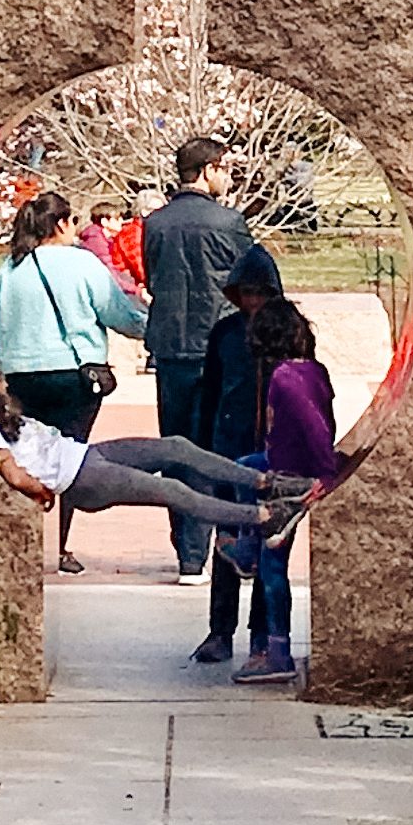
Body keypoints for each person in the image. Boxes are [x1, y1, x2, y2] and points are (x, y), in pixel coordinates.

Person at [0, 358, 305, 537]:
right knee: (172, 489)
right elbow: (10, 471)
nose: (5, 381)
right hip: (82, 479)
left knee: (175, 447)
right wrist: (40, 490)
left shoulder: (1, 417)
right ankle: (264, 518)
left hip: (86, 455)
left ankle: (266, 483)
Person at [0, 189, 147, 577]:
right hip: (74, 376)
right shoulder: (81, 264)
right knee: (67, 459)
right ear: (61, 224)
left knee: (24, 458)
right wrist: (153, 329)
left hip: (20, 375)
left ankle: (23, 542)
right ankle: (61, 546)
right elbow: (117, 312)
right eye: (73, 221)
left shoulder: (10, 270)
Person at [139, 135, 259, 584]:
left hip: (171, 348)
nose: (228, 176)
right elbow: (251, 280)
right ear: (208, 170)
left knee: (176, 447)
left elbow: (152, 278)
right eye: (225, 168)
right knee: (221, 447)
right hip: (220, 349)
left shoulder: (156, 224)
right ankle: (225, 543)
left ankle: (188, 553)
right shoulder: (229, 222)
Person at [235, 296, 342, 687]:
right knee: (239, 470)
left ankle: (278, 652)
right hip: (280, 465)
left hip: (291, 478)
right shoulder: (314, 370)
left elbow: (315, 425)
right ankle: (243, 538)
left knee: (273, 566)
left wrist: (323, 476)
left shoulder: (284, 378)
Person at [189, 244, 287, 668]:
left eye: (260, 294)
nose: (253, 302)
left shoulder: (289, 332)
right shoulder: (226, 334)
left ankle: (263, 635)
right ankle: (219, 630)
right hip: (230, 449)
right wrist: (200, 448)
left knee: (271, 543)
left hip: (273, 454)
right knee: (227, 540)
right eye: (246, 294)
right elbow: (209, 392)